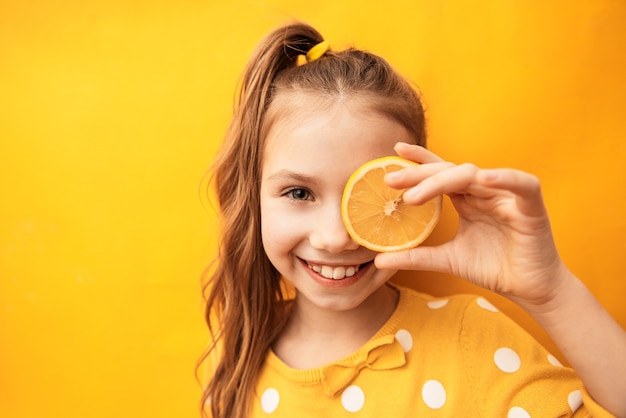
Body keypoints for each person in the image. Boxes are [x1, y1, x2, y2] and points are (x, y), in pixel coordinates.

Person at [199, 21, 626, 418]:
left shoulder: (470, 340)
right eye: (299, 193)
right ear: (253, 198)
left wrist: (552, 292)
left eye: (378, 196)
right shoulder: (236, 355)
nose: (334, 238)